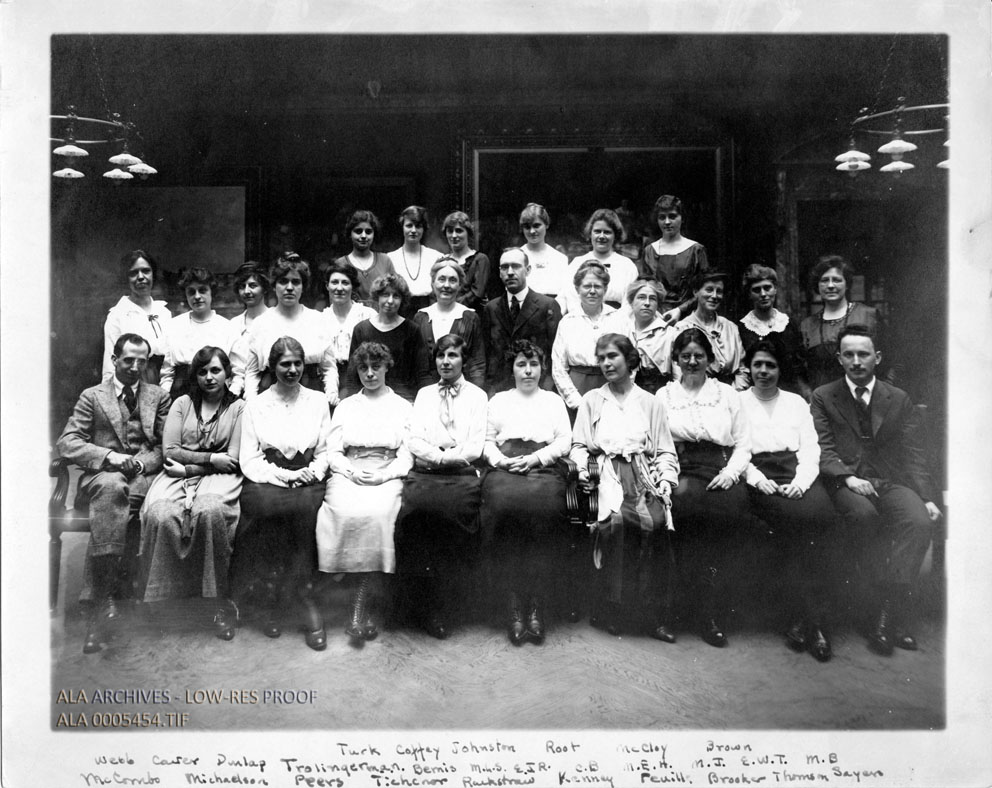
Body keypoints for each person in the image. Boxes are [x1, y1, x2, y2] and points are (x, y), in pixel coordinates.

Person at [810, 325, 941, 656]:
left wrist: (927, 497)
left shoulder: (897, 398)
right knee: (864, 517)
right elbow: (822, 448)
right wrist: (846, 477)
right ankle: (870, 612)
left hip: (889, 481)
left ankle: (887, 614)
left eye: (863, 354)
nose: (856, 361)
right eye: (849, 355)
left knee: (918, 521)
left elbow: (914, 453)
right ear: (839, 359)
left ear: (877, 358)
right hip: (846, 482)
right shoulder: (823, 396)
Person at [56, 333, 172, 653]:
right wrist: (108, 457)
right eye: (128, 360)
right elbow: (68, 442)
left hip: (142, 479)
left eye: (141, 361)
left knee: (120, 495)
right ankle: (104, 600)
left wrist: (140, 463)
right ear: (114, 360)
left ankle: (99, 605)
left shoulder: (159, 397)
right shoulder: (92, 396)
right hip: (101, 477)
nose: (134, 367)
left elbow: (166, 445)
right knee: (111, 488)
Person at [571, 334, 680, 640]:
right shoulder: (592, 401)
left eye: (613, 356)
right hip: (606, 473)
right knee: (616, 521)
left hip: (641, 473)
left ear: (629, 359)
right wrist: (584, 471)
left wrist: (665, 480)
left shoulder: (650, 402)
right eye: (601, 358)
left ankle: (653, 615)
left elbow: (665, 449)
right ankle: (614, 609)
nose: (606, 363)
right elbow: (579, 446)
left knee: (654, 521)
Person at [231, 336, 331, 650]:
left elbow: (326, 451)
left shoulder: (318, 401)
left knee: (306, 512)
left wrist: (312, 472)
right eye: (285, 364)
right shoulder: (256, 405)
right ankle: (271, 598)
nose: (292, 370)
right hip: (267, 479)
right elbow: (249, 459)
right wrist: (284, 476)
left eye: (297, 363)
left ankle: (305, 599)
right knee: (264, 509)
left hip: (308, 479)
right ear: (272, 367)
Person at [138, 346, 245, 640]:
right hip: (177, 474)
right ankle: (163, 603)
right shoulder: (182, 404)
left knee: (210, 512)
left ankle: (218, 602)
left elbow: (233, 459)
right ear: (194, 375)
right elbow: (170, 451)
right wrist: (210, 459)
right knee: (161, 513)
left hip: (219, 477)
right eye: (202, 372)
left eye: (215, 370)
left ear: (227, 374)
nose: (209, 377)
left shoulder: (239, 408)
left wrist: (190, 468)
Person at [739, 339, 835, 661]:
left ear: (780, 370)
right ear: (749, 368)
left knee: (824, 518)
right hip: (759, 474)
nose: (764, 371)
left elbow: (810, 448)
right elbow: (735, 450)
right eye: (758, 365)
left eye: (771, 365)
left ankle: (806, 621)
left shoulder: (796, 403)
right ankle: (813, 621)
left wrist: (801, 482)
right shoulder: (737, 403)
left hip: (796, 473)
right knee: (795, 523)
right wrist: (757, 479)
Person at [657, 328, 751, 647]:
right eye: (685, 356)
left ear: (709, 359)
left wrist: (731, 473)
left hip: (720, 469)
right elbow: (658, 443)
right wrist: (666, 477)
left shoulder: (727, 394)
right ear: (676, 360)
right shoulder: (664, 396)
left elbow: (744, 443)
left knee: (724, 519)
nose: (692, 362)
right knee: (678, 514)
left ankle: (710, 613)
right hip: (680, 468)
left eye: (699, 356)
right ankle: (677, 609)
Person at [315, 342, 413, 642]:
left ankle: (361, 604)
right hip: (350, 471)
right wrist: (351, 472)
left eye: (375, 367)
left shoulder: (402, 407)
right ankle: (355, 600)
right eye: (363, 368)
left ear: (387, 367)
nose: (369, 374)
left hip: (387, 471)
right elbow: (333, 451)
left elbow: (408, 454)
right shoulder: (346, 406)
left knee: (380, 513)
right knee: (341, 511)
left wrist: (385, 474)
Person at [394, 334, 488, 639]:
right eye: (440, 356)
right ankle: (419, 604)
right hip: (428, 472)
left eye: (452, 356)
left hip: (461, 473)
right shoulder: (424, 395)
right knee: (415, 514)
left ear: (464, 360)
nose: (445, 362)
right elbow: (414, 439)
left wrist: (451, 459)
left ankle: (451, 604)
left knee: (454, 515)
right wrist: (439, 458)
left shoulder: (477, 397)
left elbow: (475, 444)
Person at [481, 340, 571, 645]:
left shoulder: (553, 401)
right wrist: (502, 461)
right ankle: (513, 604)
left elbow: (564, 441)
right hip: (506, 468)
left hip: (542, 467)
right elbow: (486, 441)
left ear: (542, 368)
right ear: (512, 369)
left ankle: (536, 604)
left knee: (546, 511)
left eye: (533, 364)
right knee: (501, 508)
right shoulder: (499, 401)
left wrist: (536, 459)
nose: (528, 371)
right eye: (521, 364)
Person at [242, 253, 336, 402]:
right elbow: (252, 372)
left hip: (310, 394)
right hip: (271, 395)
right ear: (274, 286)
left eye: (296, 282)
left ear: (303, 287)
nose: (290, 288)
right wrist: (251, 401)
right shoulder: (261, 323)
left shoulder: (317, 320)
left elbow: (329, 368)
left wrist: (331, 394)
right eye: (283, 281)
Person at [800, 254, 888, 391]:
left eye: (837, 280)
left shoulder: (869, 316)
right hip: (821, 400)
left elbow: (890, 362)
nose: (830, 285)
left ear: (847, 284)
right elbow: (801, 373)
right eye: (824, 280)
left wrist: (881, 394)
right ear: (817, 285)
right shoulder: (807, 325)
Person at [481, 247, 561, 395]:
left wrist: (547, 387)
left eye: (516, 266)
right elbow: (486, 353)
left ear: (528, 270)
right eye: (505, 267)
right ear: (499, 272)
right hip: (500, 389)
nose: (510, 272)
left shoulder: (547, 306)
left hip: (537, 387)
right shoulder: (491, 308)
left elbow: (556, 354)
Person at [341, 274, 432, 403]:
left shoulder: (412, 330)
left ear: (402, 300)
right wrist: (352, 403)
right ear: (377, 296)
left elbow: (422, 373)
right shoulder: (361, 329)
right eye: (385, 295)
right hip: (368, 398)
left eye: (396, 296)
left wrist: (425, 402)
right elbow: (352, 374)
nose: (390, 301)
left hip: (404, 399)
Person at [551, 260, 620, 413]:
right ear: (577, 289)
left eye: (598, 286)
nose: (592, 291)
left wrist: (620, 395)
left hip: (612, 388)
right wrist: (576, 401)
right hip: (577, 388)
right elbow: (558, 368)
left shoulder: (619, 319)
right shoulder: (568, 322)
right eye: (587, 286)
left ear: (605, 288)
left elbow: (630, 363)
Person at [160, 267, 235, 400]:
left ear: (212, 292)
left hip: (216, 396)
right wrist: (164, 402)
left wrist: (229, 402)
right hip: (180, 395)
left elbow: (237, 373)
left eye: (202, 290)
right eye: (191, 292)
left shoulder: (227, 327)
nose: (197, 296)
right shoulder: (173, 326)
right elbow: (167, 373)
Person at [738, 264, 809, 398]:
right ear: (749, 294)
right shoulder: (742, 328)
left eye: (767, 288)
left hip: (790, 393)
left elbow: (799, 367)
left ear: (775, 289)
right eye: (756, 290)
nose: (763, 294)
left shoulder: (788, 324)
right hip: (757, 395)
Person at [413, 258, 486, 388]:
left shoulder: (470, 317)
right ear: (433, 283)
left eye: (452, 280)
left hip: (463, 391)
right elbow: (418, 365)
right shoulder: (421, 318)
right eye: (441, 279)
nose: (446, 285)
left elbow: (477, 365)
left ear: (459, 285)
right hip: (428, 391)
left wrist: (472, 393)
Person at [636, 195, 709, 326]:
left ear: (682, 218)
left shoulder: (696, 250)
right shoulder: (649, 251)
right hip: (655, 317)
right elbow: (644, 287)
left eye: (672, 216)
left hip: (689, 317)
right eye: (662, 217)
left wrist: (680, 310)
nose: (667, 222)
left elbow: (706, 289)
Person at [102, 250, 172, 384]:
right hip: (134, 382)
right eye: (133, 273)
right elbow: (110, 365)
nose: (141, 277)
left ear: (153, 274)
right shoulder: (117, 315)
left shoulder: (164, 312)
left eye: (146, 271)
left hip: (166, 382)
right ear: (126, 278)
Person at [669, 270, 747, 389]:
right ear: (696, 292)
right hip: (696, 393)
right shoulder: (681, 328)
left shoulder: (730, 328)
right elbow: (679, 374)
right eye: (709, 290)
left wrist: (734, 395)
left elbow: (742, 370)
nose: (714, 296)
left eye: (719, 291)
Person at [557, 208, 638, 315]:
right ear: (590, 233)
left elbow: (629, 303)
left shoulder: (627, 266)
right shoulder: (577, 263)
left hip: (617, 321)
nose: (601, 236)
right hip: (582, 319)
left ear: (615, 235)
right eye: (597, 231)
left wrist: (616, 321)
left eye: (607, 232)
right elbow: (569, 296)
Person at [320, 258, 376, 401]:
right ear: (327, 286)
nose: (339, 288)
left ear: (353, 286)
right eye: (334, 282)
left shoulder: (368, 315)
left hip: (362, 379)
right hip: (326, 382)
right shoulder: (320, 319)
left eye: (345, 283)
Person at [617, 278, 673, 394]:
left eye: (652, 299)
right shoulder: (621, 329)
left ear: (657, 305)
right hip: (623, 391)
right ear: (631, 302)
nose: (647, 303)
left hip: (656, 392)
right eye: (641, 297)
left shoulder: (669, 334)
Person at [386, 205, 444, 314]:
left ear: (423, 229)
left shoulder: (435, 257)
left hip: (429, 311)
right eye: (409, 225)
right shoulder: (390, 258)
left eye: (418, 226)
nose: (413, 230)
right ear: (402, 227)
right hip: (400, 313)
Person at [333, 209, 397, 307]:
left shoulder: (385, 261)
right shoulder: (341, 263)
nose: (363, 236)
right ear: (350, 234)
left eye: (368, 232)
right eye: (358, 231)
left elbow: (395, 293)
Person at [228, 262, 271, 398]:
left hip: (266, 390)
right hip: (235, 392)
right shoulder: (233, 324)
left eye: (253, 285)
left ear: (264, 288)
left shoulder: (273, 321)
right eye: (242, 286)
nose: (247, 291)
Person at [441, 210, 490, 310]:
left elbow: (477, 293)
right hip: (445, 314)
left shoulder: (480, 260)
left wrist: (451, 306)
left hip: (471, 314)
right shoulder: (443, 261)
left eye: (459, 231)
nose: (454, 236)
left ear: (468, 233)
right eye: (450, 231)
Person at [517, 202, 569, 297]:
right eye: (527, 227)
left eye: (536, 226)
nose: (532, 231)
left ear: (546, 225)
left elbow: (564, 294)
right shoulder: (516, 257)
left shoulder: (560, 258)